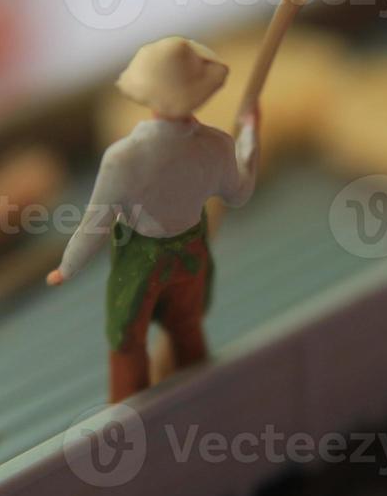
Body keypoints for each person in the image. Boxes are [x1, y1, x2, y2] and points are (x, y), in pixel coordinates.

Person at [46, 37, 260, 402]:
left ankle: (130, 418)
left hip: (141, 260)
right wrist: (251, 139)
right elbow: (238, 193)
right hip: (191, 249)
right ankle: (201, 401)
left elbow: (97, 222)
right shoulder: (218, 145)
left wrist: (68, 266)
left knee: (127, 340)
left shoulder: (124, 158)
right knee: (187, 328)